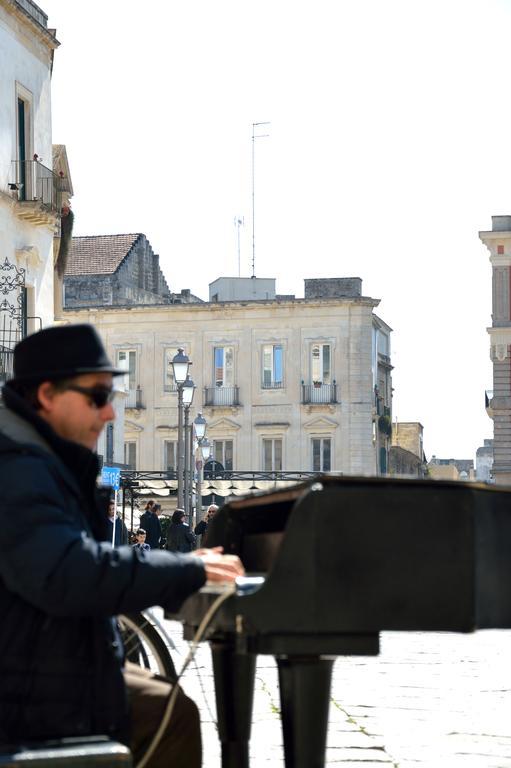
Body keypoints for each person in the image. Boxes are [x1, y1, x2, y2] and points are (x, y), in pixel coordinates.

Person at [0, 324, 244, 768]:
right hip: (22, 686)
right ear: (47, 395)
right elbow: (67, 572)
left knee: (164, 699)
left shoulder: (40, 459)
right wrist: (185, 570)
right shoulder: (18, 469)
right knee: (173, 714)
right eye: (97, 397)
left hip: (40, 658)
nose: (110, 414)